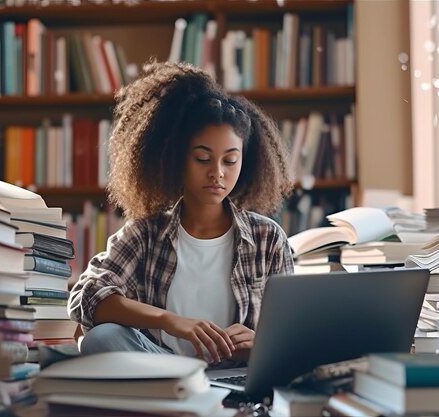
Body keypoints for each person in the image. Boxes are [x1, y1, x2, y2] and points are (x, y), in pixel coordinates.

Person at [68, 61, 294, 366]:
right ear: (176, 158)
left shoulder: (268, 239)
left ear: (246, 162)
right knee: (102, 338)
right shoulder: (146, 234)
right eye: (203, 158)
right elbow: (86, 296)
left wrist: (261, 342)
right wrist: (170, 321)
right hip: (164, 369)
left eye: (230, 161)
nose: (217, 173)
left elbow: (290, 335)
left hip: (238, 376)